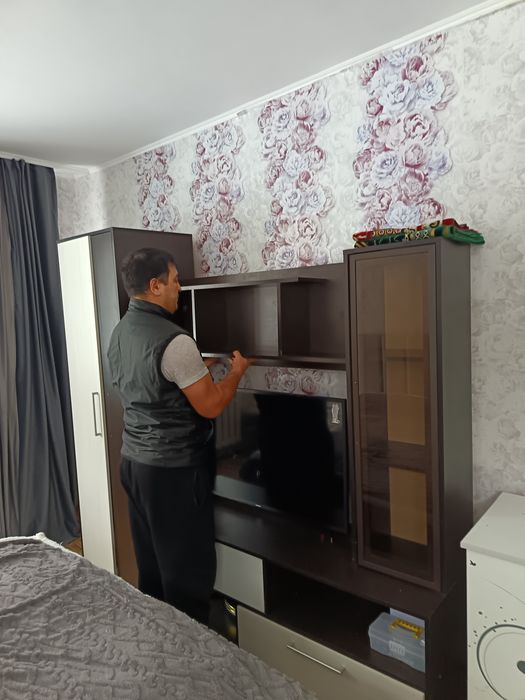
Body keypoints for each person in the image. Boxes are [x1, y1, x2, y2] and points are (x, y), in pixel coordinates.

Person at [107, 247, 251, 625]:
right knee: (186, 575)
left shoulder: (120, 332)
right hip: (172, 473)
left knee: (152, 566)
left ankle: (159, 637)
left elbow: (150, 382)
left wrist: (197, 369)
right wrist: (237, 372)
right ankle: (191, 651)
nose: (179, 288)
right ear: (155, 286)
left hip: (133, 464)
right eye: (175, 280)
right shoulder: (176, 341)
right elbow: (211, 406)